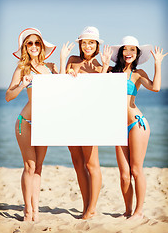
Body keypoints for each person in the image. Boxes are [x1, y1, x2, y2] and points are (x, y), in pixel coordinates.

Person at [102, 36, 168, 220]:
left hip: (136, 123)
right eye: (125, 49)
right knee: (124, 175)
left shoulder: (138, 73)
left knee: (136, 170)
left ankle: (139, 211)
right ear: (121, 52)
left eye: (133, 49)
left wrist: (157, 63)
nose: (129, 53)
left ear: (137, 53)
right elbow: (97, 87)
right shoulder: (110, 72)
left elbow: (155, 88)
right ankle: (128, 210)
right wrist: (104, 63)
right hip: (117, 127)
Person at [5, 27, 58, 222]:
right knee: (29, 166)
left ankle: (35, 210)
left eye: (37, 43)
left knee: (39, 167)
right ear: (25, 47)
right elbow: (8, 96)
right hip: (26, 122)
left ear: (42, 46)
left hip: (44, 123)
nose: (34, 46)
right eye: (30, 43)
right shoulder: (22, 69)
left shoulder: (50, 68)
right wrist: (21, 85)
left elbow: (63, 91)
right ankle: (28, 212)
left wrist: (66, 67)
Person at [60, 26, 110, 219]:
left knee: (91, 164)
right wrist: (64, 61)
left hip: (90, 118)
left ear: (97, 45)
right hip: (70, 118)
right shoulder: (72, 60)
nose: (87, 46)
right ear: (80, 44)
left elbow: (103, 92)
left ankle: (92, 208)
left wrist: (105, 67)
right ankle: (85, 205)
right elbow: (60, 86)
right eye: (84, 42)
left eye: (91, 42)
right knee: (78, 163)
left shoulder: (99, 65)